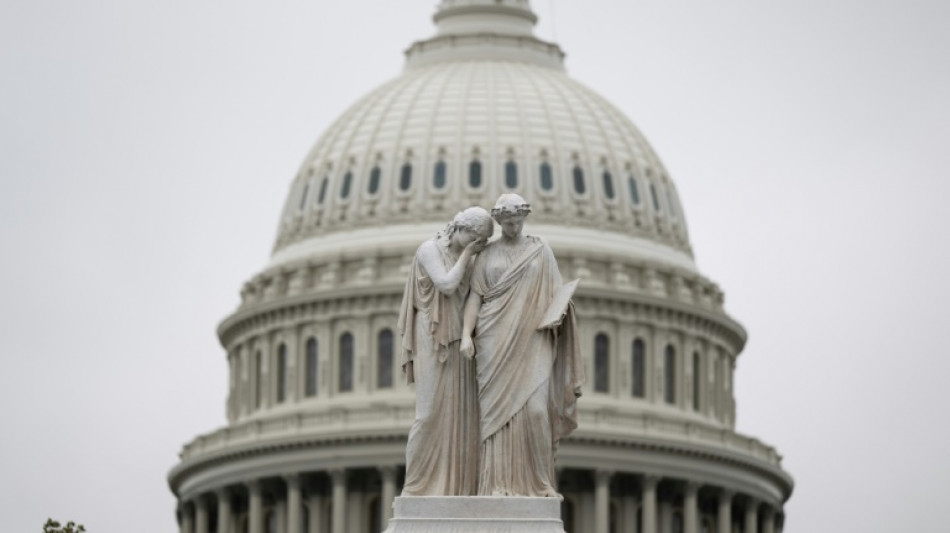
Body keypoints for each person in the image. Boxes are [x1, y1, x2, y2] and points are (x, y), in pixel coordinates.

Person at [461, 193, 585, 498]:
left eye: (517, 222)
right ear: (499, 222)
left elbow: (558, 295)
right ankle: (497, 484)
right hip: (494, 340)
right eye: (507, 223)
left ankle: (540, 482)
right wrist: (466, 335)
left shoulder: (541, 252)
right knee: (496, 417)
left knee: (536, 412)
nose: (513, 228)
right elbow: (475, 297)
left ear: (524, 219)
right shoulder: (487, 255)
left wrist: (559, 314)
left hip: (534, 338)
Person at [398, 207, 494, 496]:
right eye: (477, 240)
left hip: (460, 341)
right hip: (432, 334)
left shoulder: (472, 257)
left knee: (461, 417)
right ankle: (416, 487)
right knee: (428, 414)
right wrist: (469, 254)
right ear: (462, 230)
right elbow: (447, 284)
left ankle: (457, 487)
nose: (479, 247)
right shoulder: (429, 249)